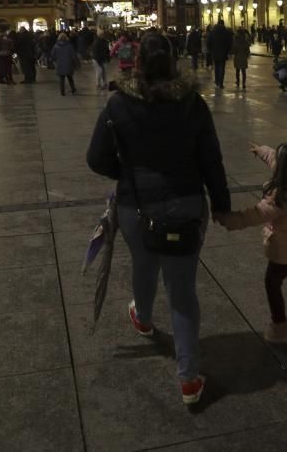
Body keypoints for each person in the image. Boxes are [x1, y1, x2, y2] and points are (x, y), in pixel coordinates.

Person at [86, 31, 231, 406]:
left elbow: (96, 158)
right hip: (186, 205)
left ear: (136, 62)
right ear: (172, 61)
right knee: (182, 292)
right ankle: (187, 379)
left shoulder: (119, 104)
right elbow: (211, 160)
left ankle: (144, 317)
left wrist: (125, 171)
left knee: (144, 264)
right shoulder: (192, 103)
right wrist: (222, 203)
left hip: (136, 207)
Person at [213, 143, 287, 353]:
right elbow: (276, 161)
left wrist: (227, 219)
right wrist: (263, 151)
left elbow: (251, 216)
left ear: (284, 169)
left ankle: (279, 327)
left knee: (272, 283)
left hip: (284, 254)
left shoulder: (280, 198)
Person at [208, 19, 232, 89]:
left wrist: (211, 50)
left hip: (214, 53)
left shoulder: (212, 32)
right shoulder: (226, 32)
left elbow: (208, 43)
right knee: (222, 68)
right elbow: (229, 43)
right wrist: (226, 51)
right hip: (223, 53)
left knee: (216, 67)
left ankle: (217, 81)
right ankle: (220, 83)